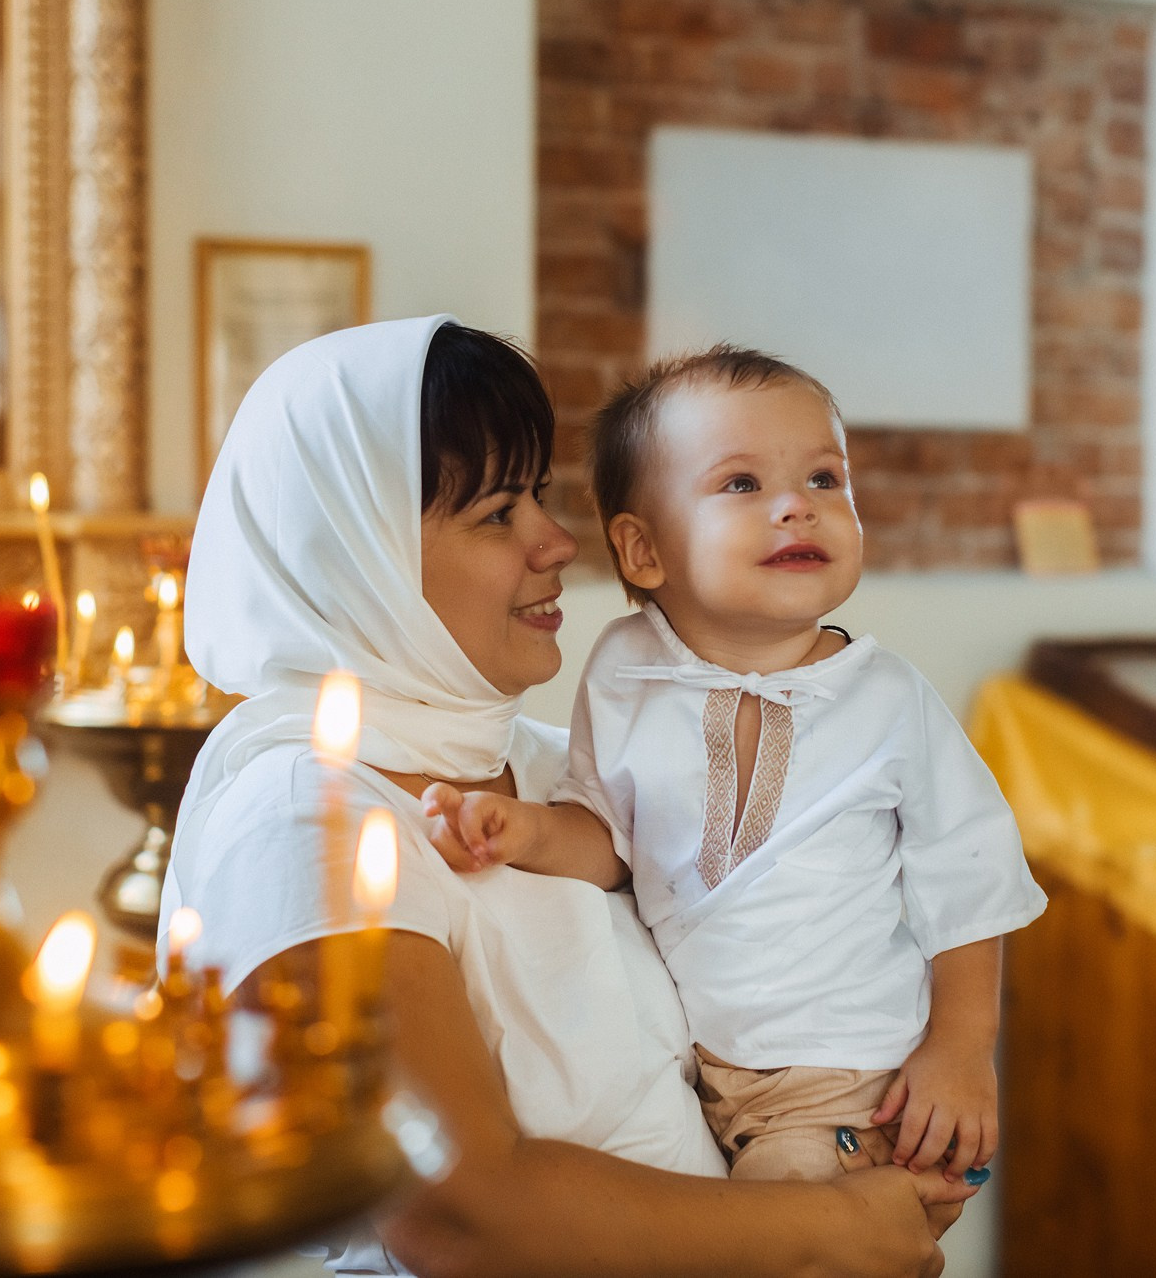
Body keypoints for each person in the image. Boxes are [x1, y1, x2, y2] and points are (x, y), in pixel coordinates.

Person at [160, 316, 974, 1277]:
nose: (554, 542)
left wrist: (863, 1138)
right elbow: (457, 1214)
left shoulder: (557, 777)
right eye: (497, 513)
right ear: (355, 558)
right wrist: (839, 1228)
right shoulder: (305, 825)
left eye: (539, 495)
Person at [421, 347, 1044, 1184]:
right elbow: (610, 841)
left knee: (775, 1234)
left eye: (826, 478)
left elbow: (971, 879)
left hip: (852, 1080)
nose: (798, 507)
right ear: (643, 551)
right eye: (743, 484)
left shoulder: (889, 698)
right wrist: (522, 830)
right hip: (708, 1079)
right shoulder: (624, 670)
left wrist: (963, 1050)